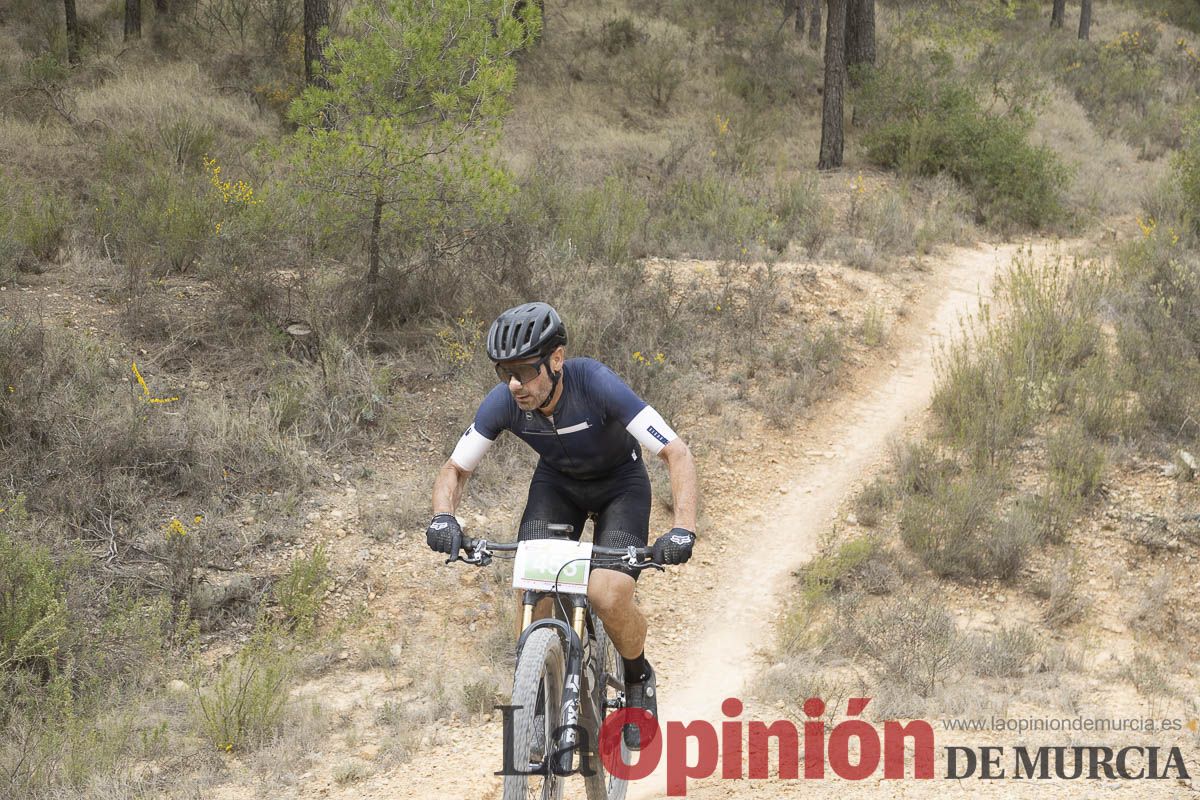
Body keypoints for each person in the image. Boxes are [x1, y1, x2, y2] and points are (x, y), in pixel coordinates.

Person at [426, 301, 698, 750]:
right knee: (533, 586)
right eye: (504, 373)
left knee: (606, 594)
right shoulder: (505, 403)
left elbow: (676, 452)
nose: (515, 385)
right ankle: (535, 694)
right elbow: (455, 469)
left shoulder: (596, 385)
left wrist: (683, 527)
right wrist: (443, 518)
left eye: (525, 371)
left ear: (556, 360)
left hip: (620, 486)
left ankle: (636, 676)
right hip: (558, 487)